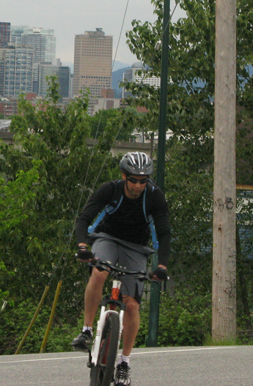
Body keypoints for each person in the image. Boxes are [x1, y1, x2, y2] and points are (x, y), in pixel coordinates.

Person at [72, 151, 170, 386]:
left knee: (133, 303)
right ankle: (87, 329)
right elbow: (83, 218)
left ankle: (124, 362)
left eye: (143, 180)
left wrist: (162, 266)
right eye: (133, 180)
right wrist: (83, 246)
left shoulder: (155, 197)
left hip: (136, 247)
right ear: (124, 176)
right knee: (99, 272)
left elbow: (164, 232)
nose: (138, 186)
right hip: (107, 237)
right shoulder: (111, 190)